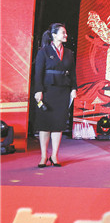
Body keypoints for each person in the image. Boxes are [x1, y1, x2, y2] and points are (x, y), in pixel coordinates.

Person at [33, 23, 77, 167]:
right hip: (47, 91)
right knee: (45, 125)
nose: (66, 35)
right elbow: (38, 73)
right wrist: (38, 90)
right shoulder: (44, 51)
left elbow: (73, 73)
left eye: (65, 32)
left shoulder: (69, 53)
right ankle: (43, 156)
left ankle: (54, 156)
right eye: (63, 32)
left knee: (58, 125)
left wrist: (74, 88)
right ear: (54, 35)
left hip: (63, 91)